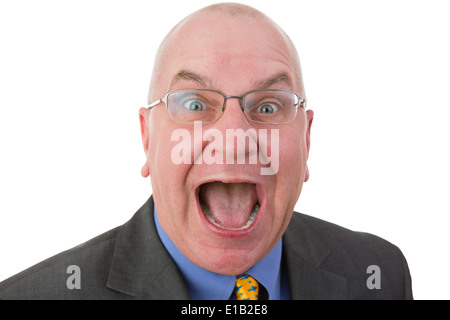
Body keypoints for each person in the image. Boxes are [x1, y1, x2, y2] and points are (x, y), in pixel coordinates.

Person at [0, 3, 413, 300]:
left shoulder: (379, 274)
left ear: (306, 139)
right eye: (195, 104)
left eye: (268, 106)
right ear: (148, 138)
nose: (233, 137)